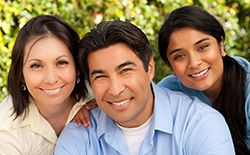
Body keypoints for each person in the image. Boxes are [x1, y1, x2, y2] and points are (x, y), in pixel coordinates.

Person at [54, 20, 235, 155]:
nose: (115, 90)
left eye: (125, 71)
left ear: (149, 68)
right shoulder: (78, 135)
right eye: (101, 76)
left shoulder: (200, 124)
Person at [158, 6, 250, 154]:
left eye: (202, 47)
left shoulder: (246, 86)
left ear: (220, 45)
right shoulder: (167, 93)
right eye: (179, 56)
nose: (194, 63)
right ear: (171, 66)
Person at [0, 15, 89, 154]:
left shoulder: (98, 95)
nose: (51, 79)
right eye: (36, 66)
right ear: (21, 75)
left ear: (77, 67)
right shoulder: (6, 129)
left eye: (61, 62)